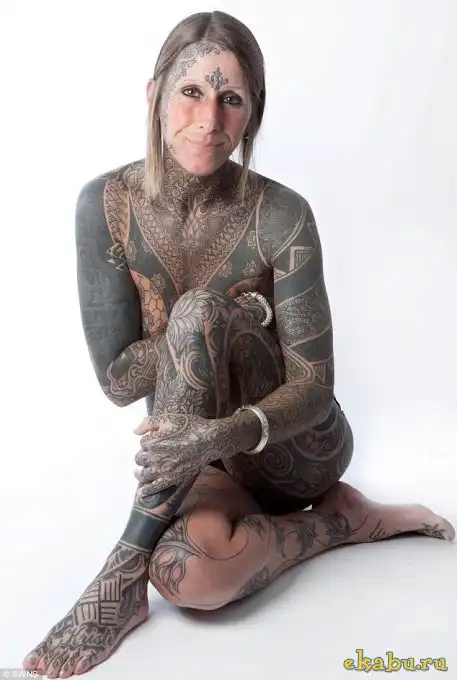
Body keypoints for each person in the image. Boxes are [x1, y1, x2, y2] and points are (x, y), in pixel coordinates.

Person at [23, 10, 454, 679]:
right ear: (154, 95)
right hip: (197, 462)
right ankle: (342, 522)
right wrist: (232, 314)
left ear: (253, 114)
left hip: (296, 451)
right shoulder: (106, 205)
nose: (208, 119)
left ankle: (121, 570)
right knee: (190, 578)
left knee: (199, 311)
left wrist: (220, 363)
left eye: (231, 99)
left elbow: (314, 388)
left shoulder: (282, 214)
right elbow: (118, 382)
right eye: (191, 92)